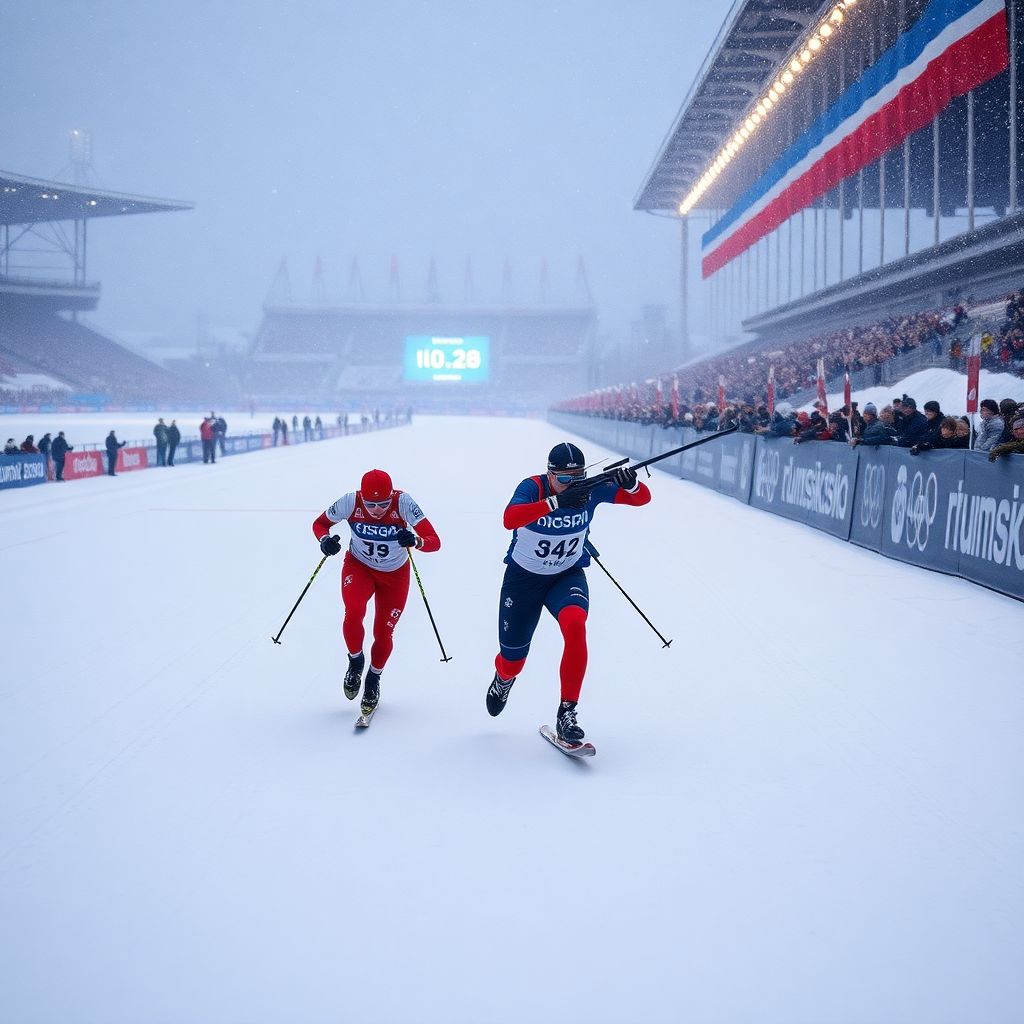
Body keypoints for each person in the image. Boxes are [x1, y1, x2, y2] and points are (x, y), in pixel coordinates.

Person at [486, 441, 651, 746]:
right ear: (550, 474)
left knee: (575, 626)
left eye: (578, 477)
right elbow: (510, 518)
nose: (572, 484)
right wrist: (556, 503)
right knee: (513, 661)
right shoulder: (533, 487)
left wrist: (630, 484)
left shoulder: (590, 489)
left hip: (566, 575)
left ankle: (567, 713)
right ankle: (504, 679)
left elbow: (642, 498)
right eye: (564, 478)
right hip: (523, 580)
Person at [311, 468, 441, 718]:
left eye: (383, 504)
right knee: (354, 610)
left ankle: (373, 678)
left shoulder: (404, 503)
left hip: (395, 575)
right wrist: (325, 540)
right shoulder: (350, 501)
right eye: (371, 504)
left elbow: (434, 540)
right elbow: (319, 524)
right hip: (359, 567)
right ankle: (356, 661)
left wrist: (416, 541)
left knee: (383, 632)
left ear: (392, 496)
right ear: (362, 497)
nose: (377, 510)